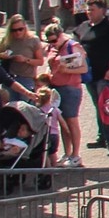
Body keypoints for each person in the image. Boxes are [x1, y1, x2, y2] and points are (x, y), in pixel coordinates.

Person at [78, 0, 109, 154]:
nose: (89, 13)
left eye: (92, 10)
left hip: (105, 76)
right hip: (89, 75)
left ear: (102, 10)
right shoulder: (83, 27)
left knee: (107, 107)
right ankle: (102, 137)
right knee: (97, 106)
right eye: (87, 9)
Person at [42, 21, 87, 165]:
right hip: (56, 88)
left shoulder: (72, 46)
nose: (52, 43)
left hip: (70, 88)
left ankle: (76, 155)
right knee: (62, 122)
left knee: (71, 120)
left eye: (54, 40)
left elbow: (84, 69)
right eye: (49, 41)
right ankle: (67, 153)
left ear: (61, 35)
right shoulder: (52, 47)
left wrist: (66, 70)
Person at [0, 15, 45, 89]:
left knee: (25, 100)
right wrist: (2, 55)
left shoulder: (33, 40)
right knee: (9, 100)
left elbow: (40, 61)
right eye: (14, 30)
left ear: (25, 28)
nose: (18, 32)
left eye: (20, 29)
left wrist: (25, 60)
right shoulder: (7, 40)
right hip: (10, 78)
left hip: (26, 79)